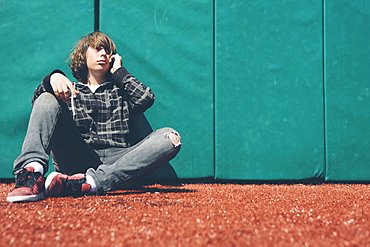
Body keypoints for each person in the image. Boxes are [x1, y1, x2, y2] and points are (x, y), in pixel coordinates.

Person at [6, 31, 181, 203]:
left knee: (169, 138)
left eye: (107, 51)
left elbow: (145, 98)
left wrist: (119, 71)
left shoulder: (120, 90)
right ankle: (31, 174)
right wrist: (52, 78)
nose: (103, 53)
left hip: (118, 160)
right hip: (76, 157)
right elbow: (40, 105)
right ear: (83, 54)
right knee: (46, 98)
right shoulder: (68, 87)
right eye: (97, 49)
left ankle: (88, 183)